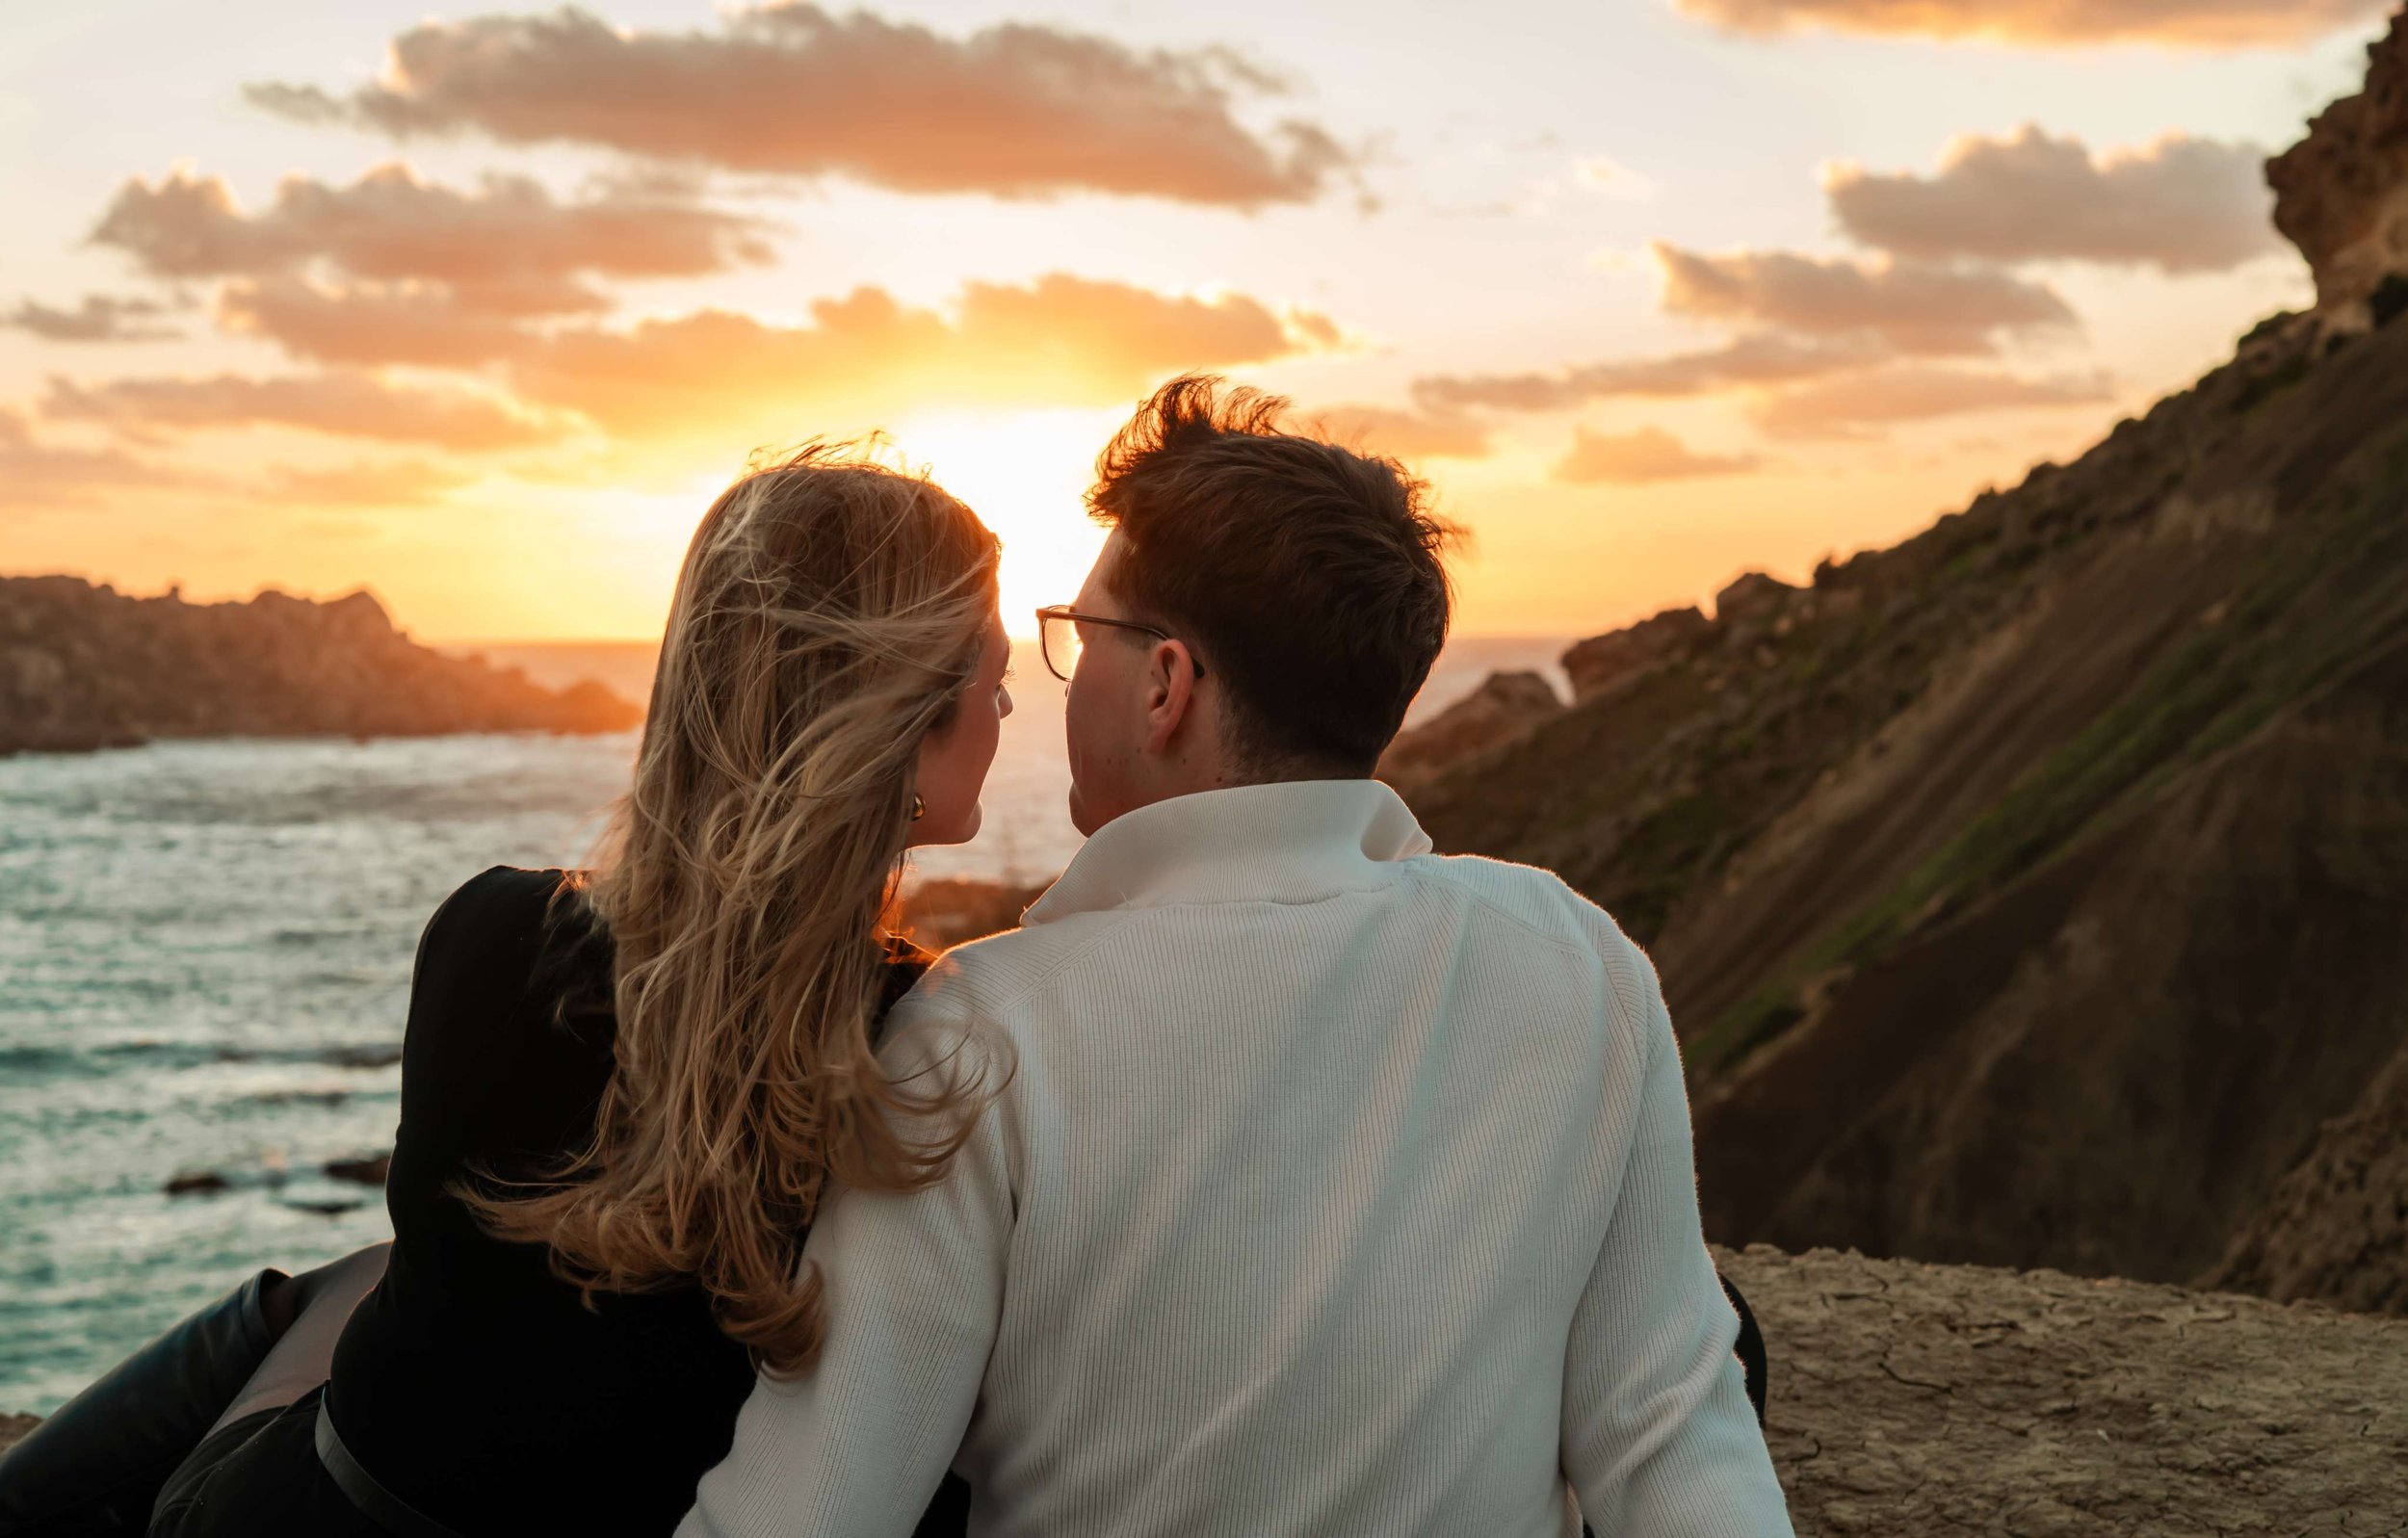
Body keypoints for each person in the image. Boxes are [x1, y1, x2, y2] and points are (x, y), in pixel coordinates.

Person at [680, 377, 1794, 1538]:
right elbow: (1675, 1439)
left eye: (1079, 635)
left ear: (1165, 684)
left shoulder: (981, 1037)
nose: (1051, 678)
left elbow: (809, 1512)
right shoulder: (1575, 963)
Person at [0, 446, 1012, 1538]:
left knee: (344, 1282)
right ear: (902, 714)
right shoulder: (921, 1043)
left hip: (294, 1517)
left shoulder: (493, 928)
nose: (1006, 703)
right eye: (988, 672)